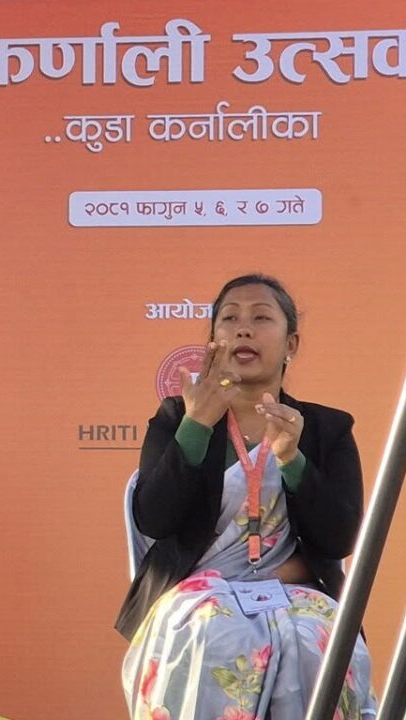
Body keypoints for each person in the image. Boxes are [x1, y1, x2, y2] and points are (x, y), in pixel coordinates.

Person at [120, 274, 375, 719]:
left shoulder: (325, 428)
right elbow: (154, 520)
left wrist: (292, 459)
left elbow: (338, 539)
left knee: (320, 641)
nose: (244, 328)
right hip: (197, 598)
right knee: (216, 636)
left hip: (296, 593)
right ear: (214, 340)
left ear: (290, 342)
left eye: (261, 317)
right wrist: (197, 425)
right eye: (230, 318)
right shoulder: (176, 417)